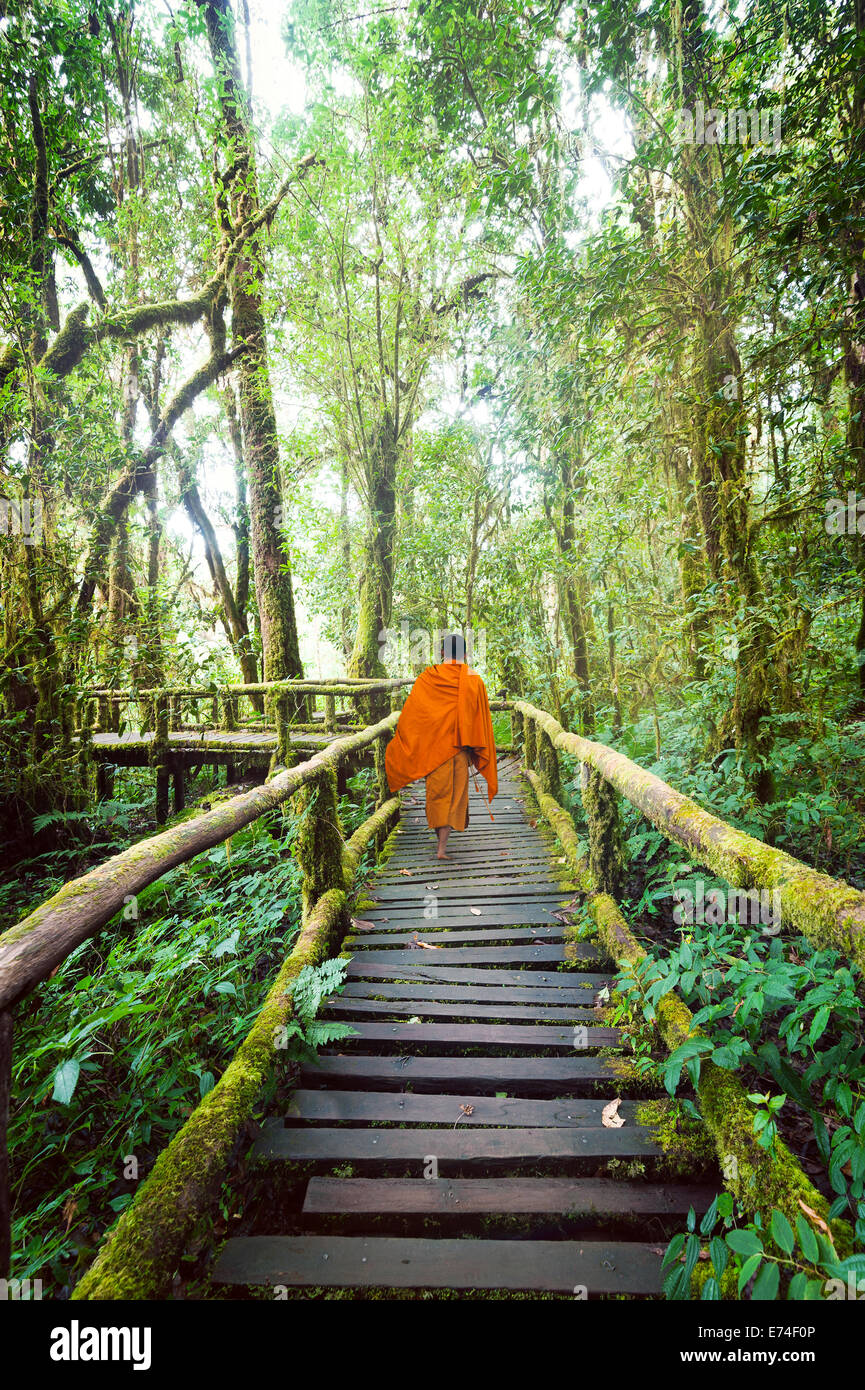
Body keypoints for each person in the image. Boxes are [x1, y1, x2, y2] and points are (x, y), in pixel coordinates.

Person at [385, 631, 498, 859]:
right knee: (454, 798)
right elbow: (480, 720)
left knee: (437, 796)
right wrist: (474, 748)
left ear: (442, 652)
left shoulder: (428, 678)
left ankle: (441, 846)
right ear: (465, 654)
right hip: (459, 752)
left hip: (433, 752)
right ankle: (442, 848)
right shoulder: (473, 679)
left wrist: (413, 744)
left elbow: (413, 717)